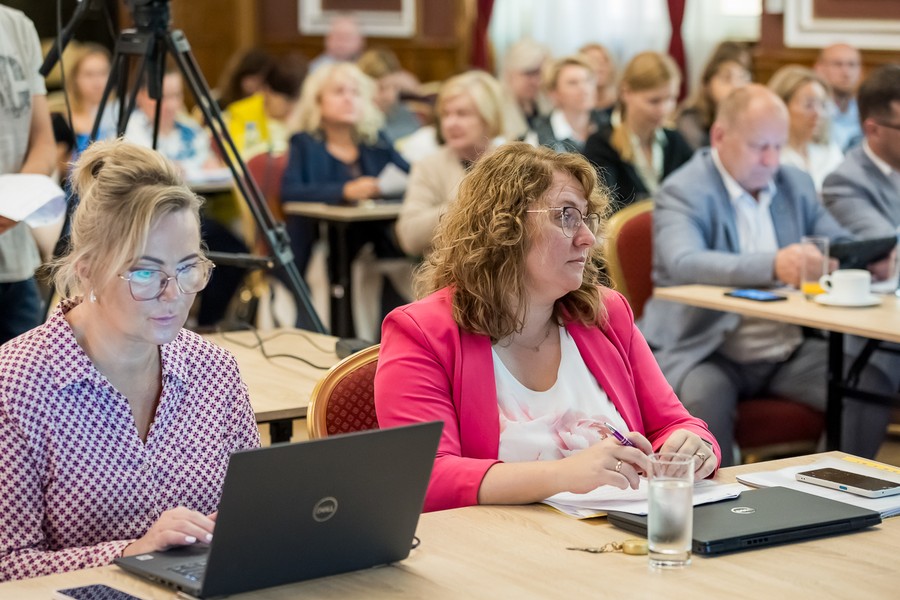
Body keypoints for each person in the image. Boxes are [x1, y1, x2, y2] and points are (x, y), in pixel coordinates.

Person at [375, 142, 721, 513]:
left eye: (587, 219)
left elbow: (676, 425)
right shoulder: (422, 332)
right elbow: (425, 476)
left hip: (618, 535)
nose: (588, 238)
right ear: (505, 226)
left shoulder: (605, 314)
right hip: (503, 542)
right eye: (566, 217)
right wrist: (564, 474)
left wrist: (694, 445)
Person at [0, 140, 260, 580]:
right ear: (87, 270)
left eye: (187, 268)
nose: (173, 294)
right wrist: (132, 553)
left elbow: (253, 513)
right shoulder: (18, 384)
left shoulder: (214, 369)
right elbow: (7, 564)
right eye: (145, 272)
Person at [640, 85, 891, 465]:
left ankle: (827, 489)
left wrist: (869, 257)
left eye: (778, 146)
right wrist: (773, 265)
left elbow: (836, 242)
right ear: (720, 137)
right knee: (702, 401)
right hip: (708, 348)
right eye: (760, 147)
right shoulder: (685, 189)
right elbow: (683, 262)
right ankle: (724, 499)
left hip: (785, 349)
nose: (772, 160)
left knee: (867, 385)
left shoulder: (794, 183)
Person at [281, 62, 411, 332]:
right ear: (318, 101)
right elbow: (290, 192)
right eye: (339, 92)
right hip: (319, 241)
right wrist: (344, 190)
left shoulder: (375, 141)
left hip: (376, 239)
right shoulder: (304, 143)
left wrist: (382, 187)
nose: (349, 99)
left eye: (355, 92)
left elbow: (410, 175)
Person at [822, 65, 900, 456]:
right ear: (873, 129)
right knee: (871, 375)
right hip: (868, 328)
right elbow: (889, 246)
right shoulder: (847, 181)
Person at [395, 70, 504, 257]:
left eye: (462, 114)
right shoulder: (429, 166)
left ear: (489, 117)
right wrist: (466, 206)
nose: (450, 123)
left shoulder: (511, 163)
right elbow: (409, 236)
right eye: (445, 114)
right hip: (450, 270)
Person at [0, 6, 56, 345]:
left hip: (17, 264)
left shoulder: (18, 26)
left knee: (28, 376)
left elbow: (44, 144)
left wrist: (12, 206)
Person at [582, 51, 692, 210]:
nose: (664, 109)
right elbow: (604, 209)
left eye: (671, 99)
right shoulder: (601, 144)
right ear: (626, 93)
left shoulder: (674, 140)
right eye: (654, 101)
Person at [768, 65, 843, 193]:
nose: (818, 113)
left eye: (823, 105)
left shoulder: (830, 151)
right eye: (809, 105)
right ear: (781, 106)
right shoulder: (771, 155)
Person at [224, 54, 307, 159]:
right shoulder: (242, 113)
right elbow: (234, 157)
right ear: (266, 91)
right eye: (285, 100)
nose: (290, 107)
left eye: (294, 101)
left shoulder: (307, 116)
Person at [676, 41, 752, 150]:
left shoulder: (749, 118)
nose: (735, 86)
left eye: (742, 77)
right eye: (726, 78)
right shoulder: (690, 119)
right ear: (708, 82)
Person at [529, 55, 610, 153]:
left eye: (588, 80)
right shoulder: (538, 137)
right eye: (573, 83)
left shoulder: (609, 124)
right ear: (553, 93)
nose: (584, 89)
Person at [357, 48, 421, 143]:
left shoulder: (402, 109)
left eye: (395, 87)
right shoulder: (356, 117)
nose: (391, 96)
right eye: (382, 88)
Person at [498, 39, 552, 141]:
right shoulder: (497, 107)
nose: (537, 81)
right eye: (529, 73)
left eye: (540, 73)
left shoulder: (546, 102)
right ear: (509, 74)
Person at [815, 43, 863, 152]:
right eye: (837, 64)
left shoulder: (865, 110)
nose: (846, 73)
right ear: (819, 68)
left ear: (860, 71)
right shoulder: (814, 110)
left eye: (852, 65)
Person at [578, 43, 618, 112]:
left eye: (604, 62)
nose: (600, 68)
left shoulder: (623, 102)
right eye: (593, 62)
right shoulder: (576, 108)